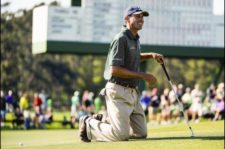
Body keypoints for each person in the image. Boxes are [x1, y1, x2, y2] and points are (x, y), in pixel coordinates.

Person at [79, 6, 164, 142]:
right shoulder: (121, 38)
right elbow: (115, 69)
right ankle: (89, 123)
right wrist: (142, 75)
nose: (141, 19)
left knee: (140, 133)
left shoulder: (135, 38)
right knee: (120, 136)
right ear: (126, 19)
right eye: (137, 16)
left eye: (142, 16)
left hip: (132, 92)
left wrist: (151, 55)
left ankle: (107, 119)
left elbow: (134, 56)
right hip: (118, 90)